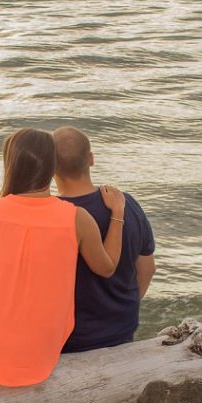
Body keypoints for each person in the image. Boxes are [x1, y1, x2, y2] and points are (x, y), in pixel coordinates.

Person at [0, 128, 126, 386]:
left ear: (10, 164)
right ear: (52, 167)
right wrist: (117, 212)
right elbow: (107, 268)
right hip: (34, 358)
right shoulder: (76, 218)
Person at [52, 126, 156, 353]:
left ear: (49, 166)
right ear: (91, 159)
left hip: (67, 339)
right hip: (120, 332)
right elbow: (147, 269)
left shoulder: (48, 216)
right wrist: (124, 310)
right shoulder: (126, 203)